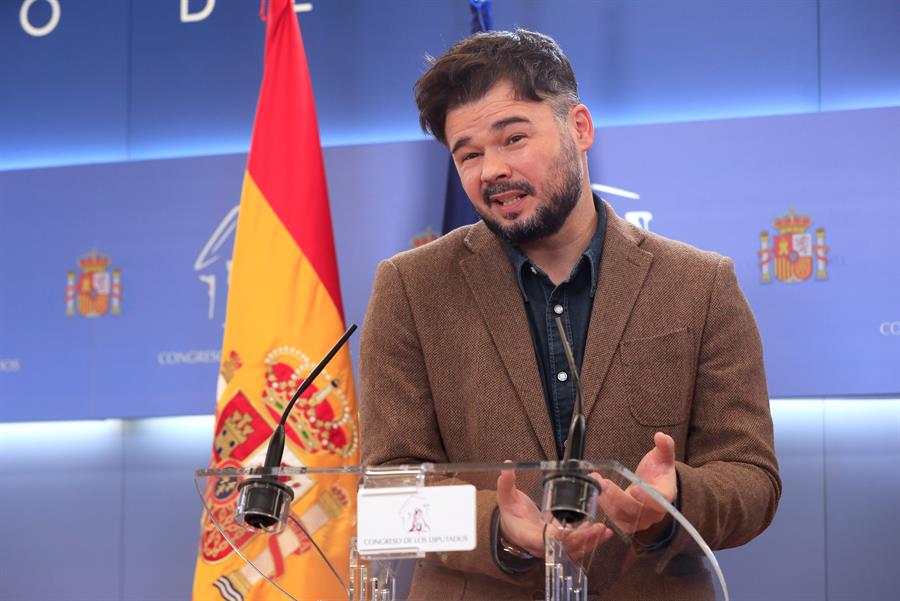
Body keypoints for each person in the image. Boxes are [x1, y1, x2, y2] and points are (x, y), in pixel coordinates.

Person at [359, 29, 780, 600]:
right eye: (470, 154)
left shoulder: (699, 283)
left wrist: (674, 499)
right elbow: (387, 488)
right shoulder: (410, 287)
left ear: (578, 128)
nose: (491, 171)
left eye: (513, 138)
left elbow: (751, 476)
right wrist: (497, 530)